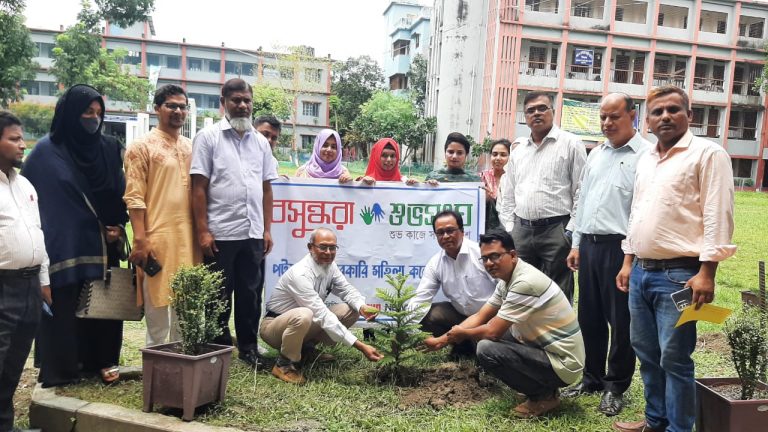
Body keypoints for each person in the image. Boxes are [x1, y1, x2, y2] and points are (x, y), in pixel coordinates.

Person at [613, 85, 736, 432]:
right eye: (657, 112)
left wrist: (707, 272)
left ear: (689, 115)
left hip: (681, 275)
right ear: (647, 121)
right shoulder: (647, 159)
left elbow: (717, 215)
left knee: (675, 358)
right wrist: (627, 261)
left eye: (673, 110)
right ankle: (655, 420)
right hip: (641, 272)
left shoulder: (708, 155)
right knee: (647, 353)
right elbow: (638, 213)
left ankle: (679, 428)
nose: (665, 116)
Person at [23, 84, 128, 387]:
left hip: (105, 243)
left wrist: (118, 226)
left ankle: (103, 360)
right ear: (69, 114)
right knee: (65, 304)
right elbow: (33, 200)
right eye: (86, 112)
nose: (93, 119)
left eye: (98, 113)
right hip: (63, 244)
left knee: (104, 303)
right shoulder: (46, 152)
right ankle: (62, 368)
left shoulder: (109, 148)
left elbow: (121, 193)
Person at [427, 230, 584, 418]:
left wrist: (463, 334)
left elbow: (492, 332)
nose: (489, 264)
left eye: (495, 256)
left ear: (512, 255)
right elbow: (481, 315)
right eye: (484, 259)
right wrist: (441, 340)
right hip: (545, 349)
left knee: (486, 348)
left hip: (564, 363)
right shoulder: (508, 278)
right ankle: (544, 388)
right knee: (491, 334)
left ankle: (542, 396)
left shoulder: (525, 282)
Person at [561, 93, 650, 417]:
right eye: (603, 117)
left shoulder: (646, 157)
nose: (607, 123)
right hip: (591, 246)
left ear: (633, 117)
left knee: (621, 321)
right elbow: (584, 200)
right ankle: (592, 377)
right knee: (590, 317)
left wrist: (629, 258)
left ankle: (615, 386)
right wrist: (576, 242)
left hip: (621, 248)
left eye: (614, 117)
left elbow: (642, 212)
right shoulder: (596, 154)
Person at [190, 78, 278, 368]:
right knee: (218, 295)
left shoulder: (261, 142)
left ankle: (250, 349)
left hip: (252, 233)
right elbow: (198, 187)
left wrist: (266, 229)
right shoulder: (208, 137)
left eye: (246, 100)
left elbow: (266, 189)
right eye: (236, 100)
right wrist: (203, 231)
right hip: (221, 233)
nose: (242, 105)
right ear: (223, 102)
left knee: (250, 294)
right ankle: (218, 349)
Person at [123, 84, 202, 346]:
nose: (178, 111)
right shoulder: (141, 146)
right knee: (158, 312)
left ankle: (180, 369)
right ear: (157, 109)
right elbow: (134, 197)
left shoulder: (192, 147)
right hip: (157, 238)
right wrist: (141, 239)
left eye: (183, 107)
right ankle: (157, 371)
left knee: (185, 308)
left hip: (188, 240)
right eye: (171, 105)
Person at [260, 228, 383, 384]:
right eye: (323, 247)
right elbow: (322, 314)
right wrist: (359, 345)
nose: (328, 252)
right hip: (273, 327)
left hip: (303, 322)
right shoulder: (300, 274)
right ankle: (284, 365)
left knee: (350, 310)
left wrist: (361, 307)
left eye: (332, 248)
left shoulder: (330, 266)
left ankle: (307, 351)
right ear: (310, 247)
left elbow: (346, 290)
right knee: (304, 314)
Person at [499, 91, 587, 303]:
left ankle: (558, 336)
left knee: (558, 292)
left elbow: (581, 191)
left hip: (556, 230)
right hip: (522, 230)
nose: (536, 113)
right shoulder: (518, 150)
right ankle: (523, 336)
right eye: (530, 110)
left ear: (553, 112)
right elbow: (508, 192)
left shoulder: (571, 144)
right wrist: (511, 228)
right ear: (525, 116)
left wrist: (570, 230)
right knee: (520, 289)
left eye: (542, 108)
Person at [0, 111, 49, 432]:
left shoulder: (26, 185)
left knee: (13, 365)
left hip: (30, 287)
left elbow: (38, 233)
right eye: (14, 139)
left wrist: (44, 283)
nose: (23, 145)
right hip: (3, 287)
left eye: (22, 138)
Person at [413, 210, 497, 357]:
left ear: (463, 231)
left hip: (493, 317)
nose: (445, 236)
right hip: (461, 317)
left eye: (450, 230)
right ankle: (465, 345)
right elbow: (420, 299)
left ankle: (476, 345)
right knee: (430, 314)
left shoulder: (482, 254)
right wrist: (409, 330)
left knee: (487, 350)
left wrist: (441, 341)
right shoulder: (435, 263)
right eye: (440, 233)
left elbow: (505, 291)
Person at [480, 139, 511, 230]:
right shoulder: (481, 178)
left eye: (503, 155)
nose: (498, 158)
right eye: (494, 154)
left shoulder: (514, 180)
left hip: (508, 229)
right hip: (486, 229)